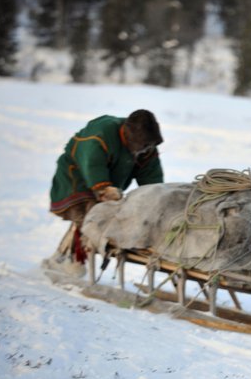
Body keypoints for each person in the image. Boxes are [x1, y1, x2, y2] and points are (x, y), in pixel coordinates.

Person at [44, 109, 164, 276]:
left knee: (95, 219)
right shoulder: (101, 134)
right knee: (90, 217)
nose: (145, 150)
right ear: (130, 137)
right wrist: (103, 188)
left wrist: (156, 197)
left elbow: (151, 176)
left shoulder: (146, 146)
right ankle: (72, 261)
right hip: (77, 176)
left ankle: (60, 258)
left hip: (109, 184)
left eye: (148, 147)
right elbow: (91, 162)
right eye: (143, 146)